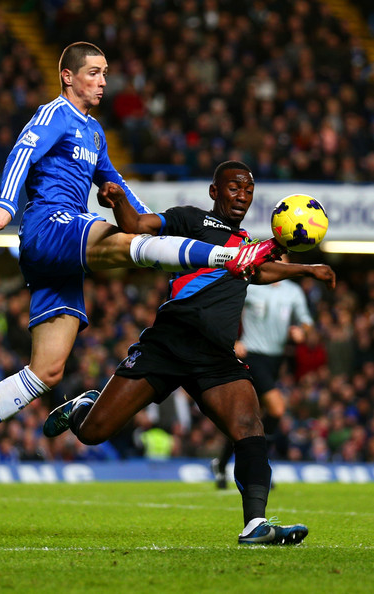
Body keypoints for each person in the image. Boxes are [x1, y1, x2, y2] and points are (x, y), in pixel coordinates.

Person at [0, 43, 280, 493]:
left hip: (61, 260)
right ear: (67, 77)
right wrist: (6, 204)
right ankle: (230, 256)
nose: (103, 82)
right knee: (126, 245)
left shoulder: (94, 133)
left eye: (105, 73)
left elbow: (117, 185)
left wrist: (155, 225)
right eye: (93, 72)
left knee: (46, 372)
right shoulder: (54, 114)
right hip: (51, 224)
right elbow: (22, 152)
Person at [43, 161, 336, 545]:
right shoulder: (190, 220)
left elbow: (258, 272)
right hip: (168, 344)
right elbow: (138, 226)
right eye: (234, 188)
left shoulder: (246, 243)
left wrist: (307, 269)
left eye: (248, 190)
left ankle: (255, 524)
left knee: (250, 427)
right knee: (93, 433)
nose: (242, 196)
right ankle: (84, 406)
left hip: (215, 355)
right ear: (215, 191)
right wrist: (118, 201)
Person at [211, 265, 314, 488]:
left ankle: (222, 464)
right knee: (276, 408)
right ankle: (260, 465)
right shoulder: (252, 286)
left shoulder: (292, 291)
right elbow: (226, 307)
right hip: (253, 355)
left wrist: (303, 331)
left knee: (248, 418)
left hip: (276, 360)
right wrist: (233, 340)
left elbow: (306, 320)